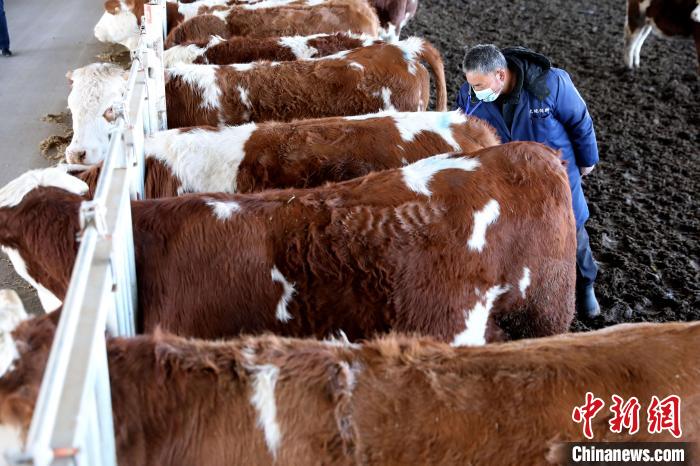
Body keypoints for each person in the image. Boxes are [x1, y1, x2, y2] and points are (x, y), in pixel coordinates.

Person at [455, 44, 600, 319]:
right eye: (471, 84)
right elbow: (464, 132)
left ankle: (586, 286)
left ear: (500, 74)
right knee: (514, 235)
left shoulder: (550, 84)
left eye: (480, 84)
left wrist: (587, 160)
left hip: (556, 177)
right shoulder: (471, 97)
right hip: (507, 181)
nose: (474, 91)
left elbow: (580, 121)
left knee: (573, 231)